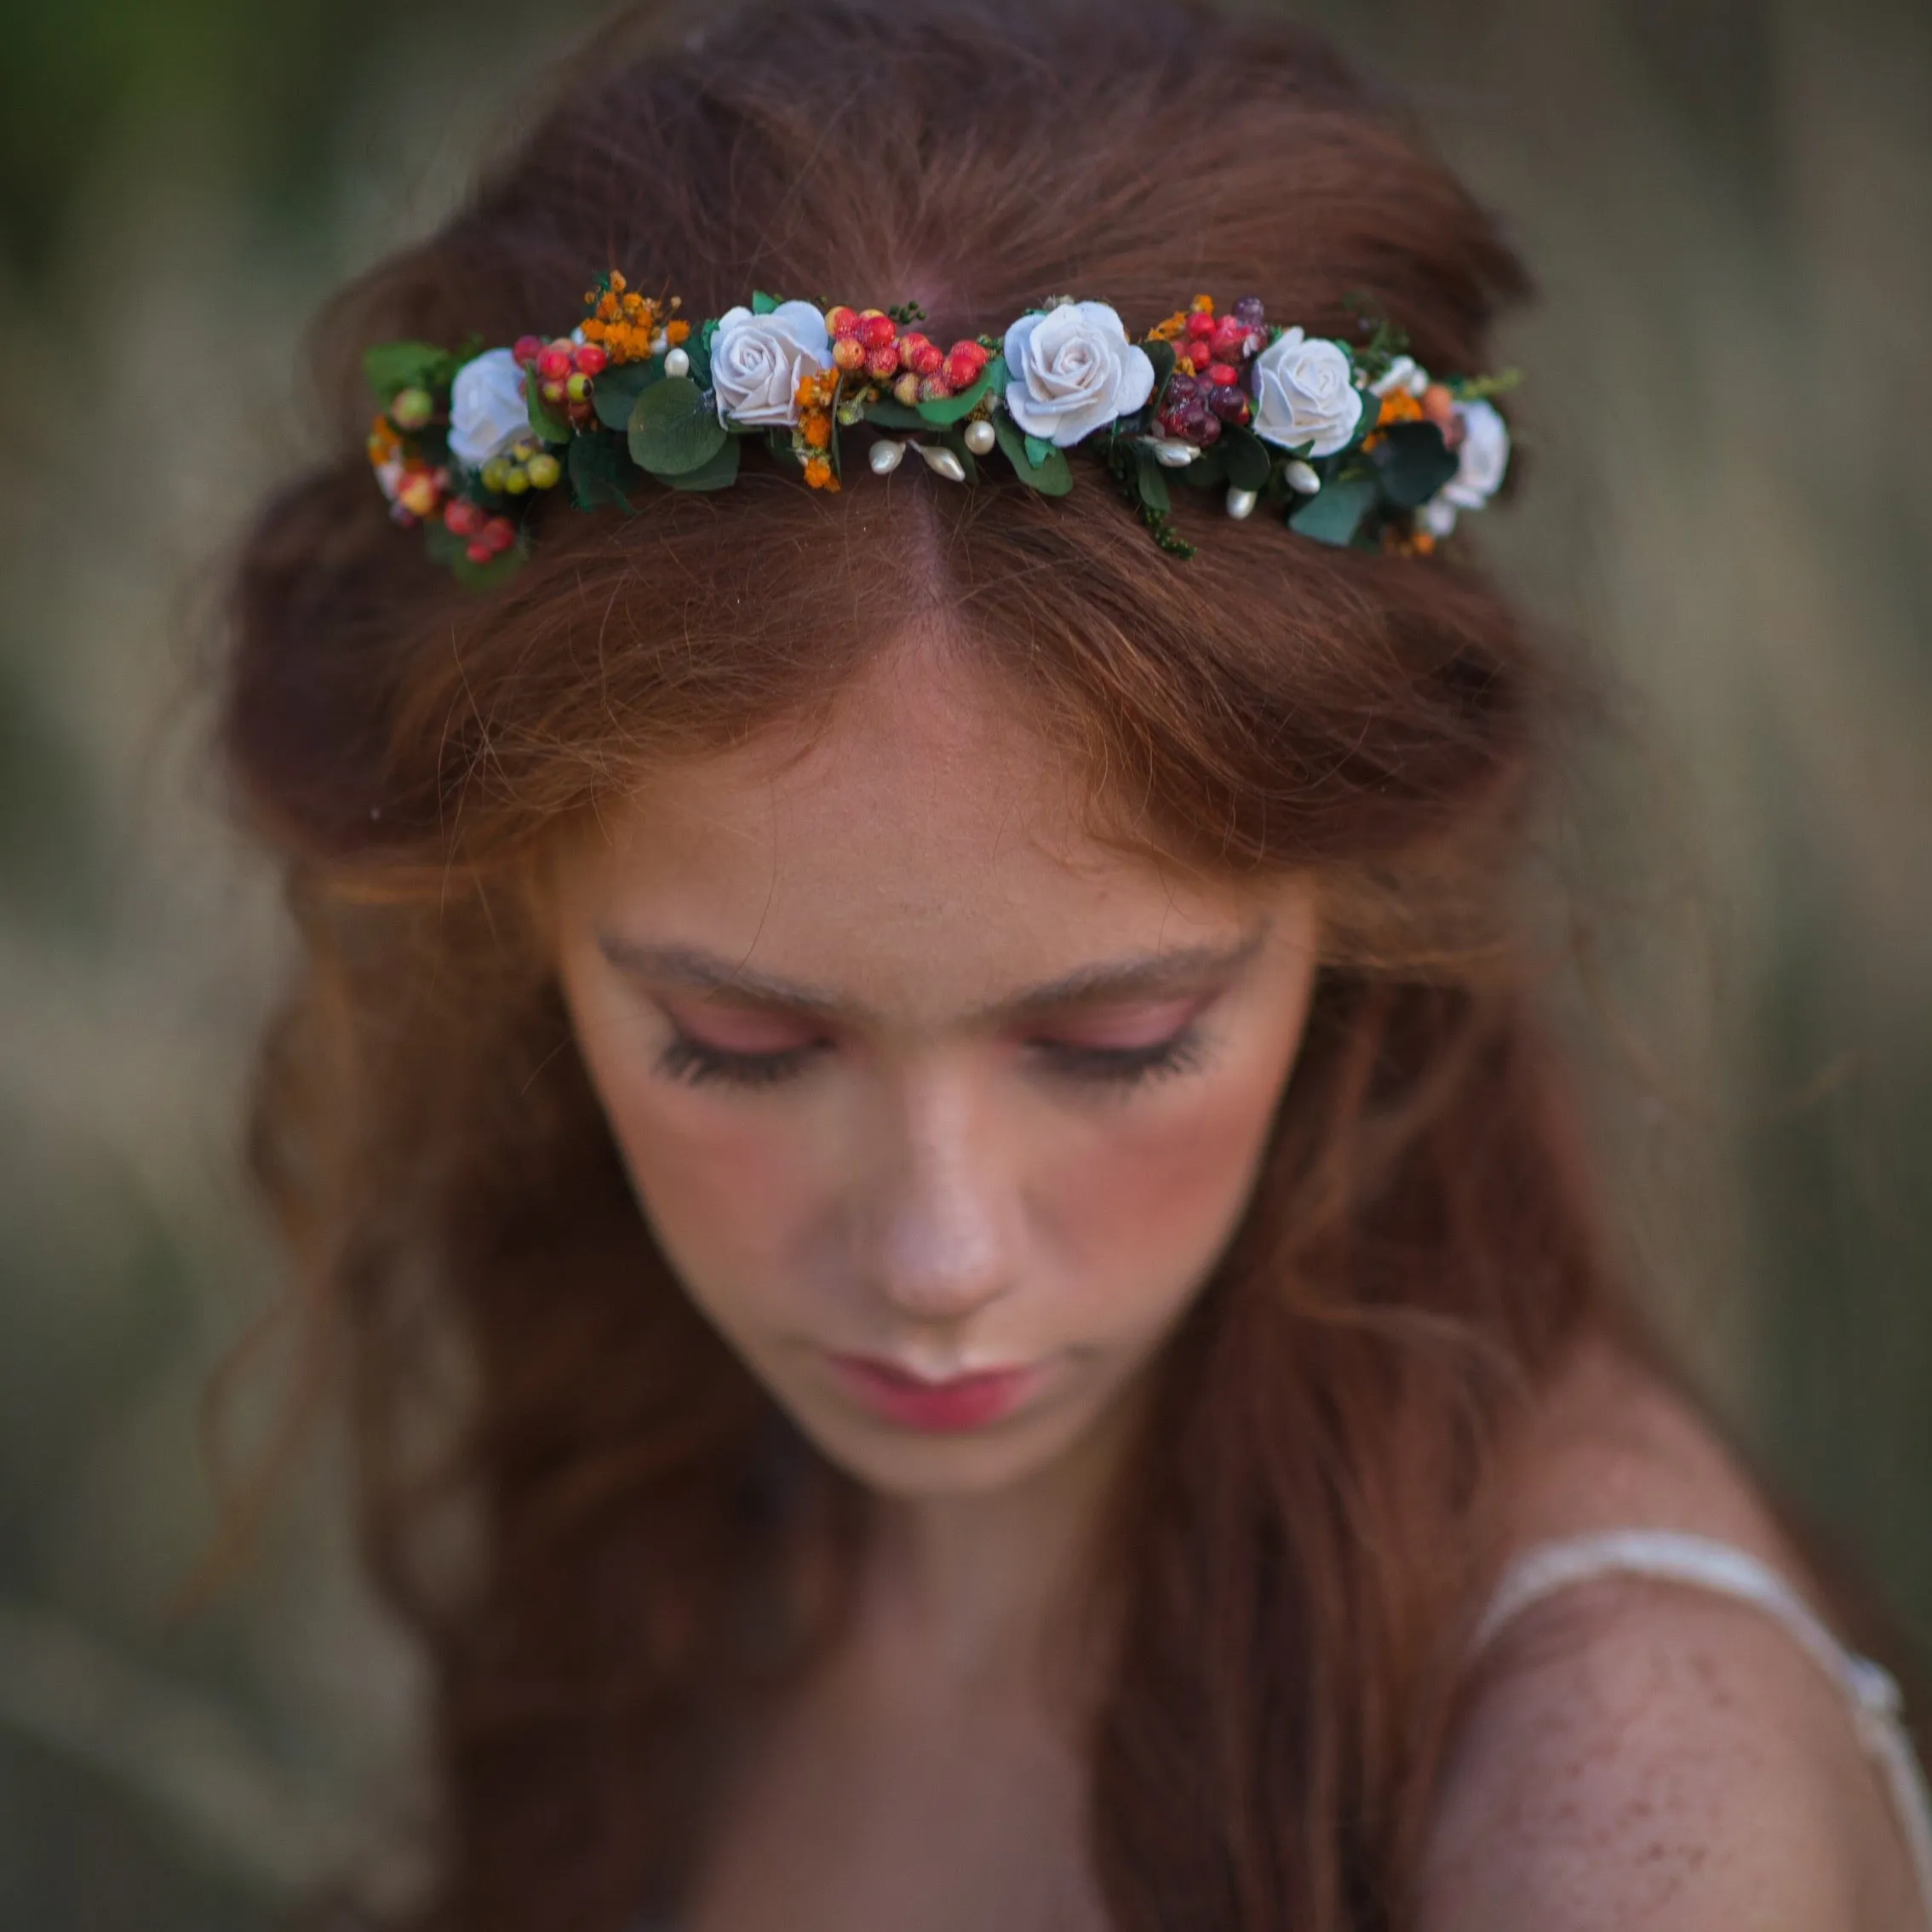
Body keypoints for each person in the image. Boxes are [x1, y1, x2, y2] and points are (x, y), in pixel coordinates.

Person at [217, 2, 1932, 1927]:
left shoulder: (1618, 1808)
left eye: (1120, 1042)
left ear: (1362, 911)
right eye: (742, 1041)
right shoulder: (691, 1509)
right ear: (517, 911)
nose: (940, 1258)